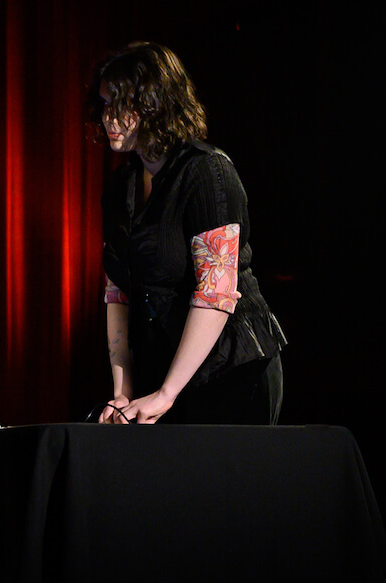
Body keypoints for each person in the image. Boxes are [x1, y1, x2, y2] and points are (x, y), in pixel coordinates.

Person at [89, 42, 286, 425]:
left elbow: (215, 293)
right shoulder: (120, 187)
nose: (107, 117)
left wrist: (166, 394)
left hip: (231, 372)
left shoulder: (206, 172)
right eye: (103, 104)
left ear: (153, 104)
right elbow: (118, 293)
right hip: (168, 373)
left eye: (119, 103)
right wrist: (122, 392)